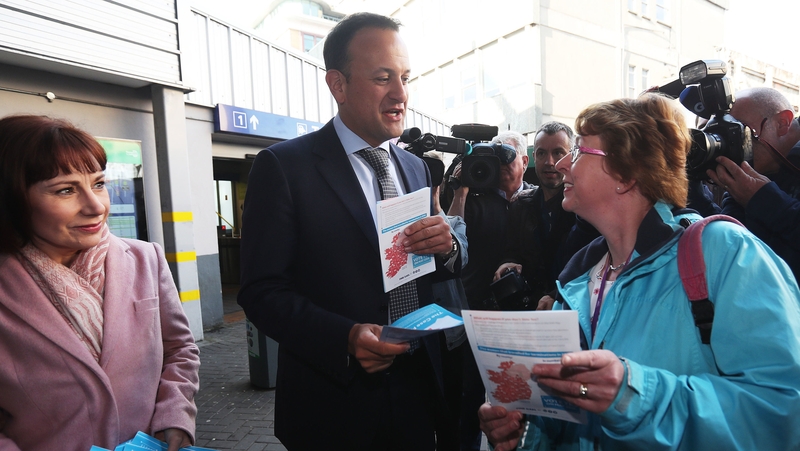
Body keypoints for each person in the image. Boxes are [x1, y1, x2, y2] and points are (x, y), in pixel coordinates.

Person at [479, 94, 800, 450]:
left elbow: (782, 411)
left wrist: (633, 394)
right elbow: (569, 422)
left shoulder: (724, 252)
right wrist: (523, 432)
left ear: (627, 174)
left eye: (582, 150)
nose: (564, 164)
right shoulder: (574, 287)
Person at [237, 12, 461, 451]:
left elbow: (433, 262)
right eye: (382, 78)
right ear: (337, 84)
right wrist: (343, 337)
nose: (401, 94)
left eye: (405, 77)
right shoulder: (284, 167)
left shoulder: (418, 168)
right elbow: (261, 291)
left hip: (419, 391)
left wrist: (448, 245)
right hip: (334, 405)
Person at [0, 115, 200, 451]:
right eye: (65, 190)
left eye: (98, 184)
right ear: (12, 199)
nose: (96, 206)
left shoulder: (145, 259)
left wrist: (175, 414)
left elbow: (179, 348)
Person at [447, 130, 532, 451]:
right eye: (494, 158)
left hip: (519, 318)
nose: (501, 165)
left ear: (525, 161)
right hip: (475, 313)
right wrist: (461, 187)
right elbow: (452, 232)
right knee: (468, 399)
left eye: (508, 157)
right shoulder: (477, 200)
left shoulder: (538, 200)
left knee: (518, 399)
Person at [706, 87, 800, 282]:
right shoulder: (754, 174)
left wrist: (762, 199)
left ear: (783, 123)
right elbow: (731, 249)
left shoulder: (758, 189)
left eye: (739, 131)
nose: (731, 144)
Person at [492, 122, 584, 311]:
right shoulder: (520, 206)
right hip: (529, 312)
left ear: (572, 155)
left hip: (573, 310)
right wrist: (507, 263)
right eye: (542, 153)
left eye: (558, 152)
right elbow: (511, 251)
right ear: (533, 157)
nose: (550, 162)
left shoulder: (584, 208)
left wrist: (556, 295)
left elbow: (591, 264)